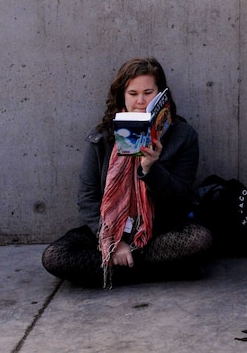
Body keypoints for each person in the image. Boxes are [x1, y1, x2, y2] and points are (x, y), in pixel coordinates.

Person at [42, 57, 213, 288]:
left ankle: (115, 270)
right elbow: (88, 198)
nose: (140, 101)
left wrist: (150, 169)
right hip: (109, 229)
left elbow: (180, 197)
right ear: (122, 95)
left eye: (148, 92)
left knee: (198, 241)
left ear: (161, 96)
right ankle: (153, 268)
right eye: (133, 93)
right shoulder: (102, 137)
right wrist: (114, 243)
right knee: (55, 256)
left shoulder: (183, 136)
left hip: (157, 231)